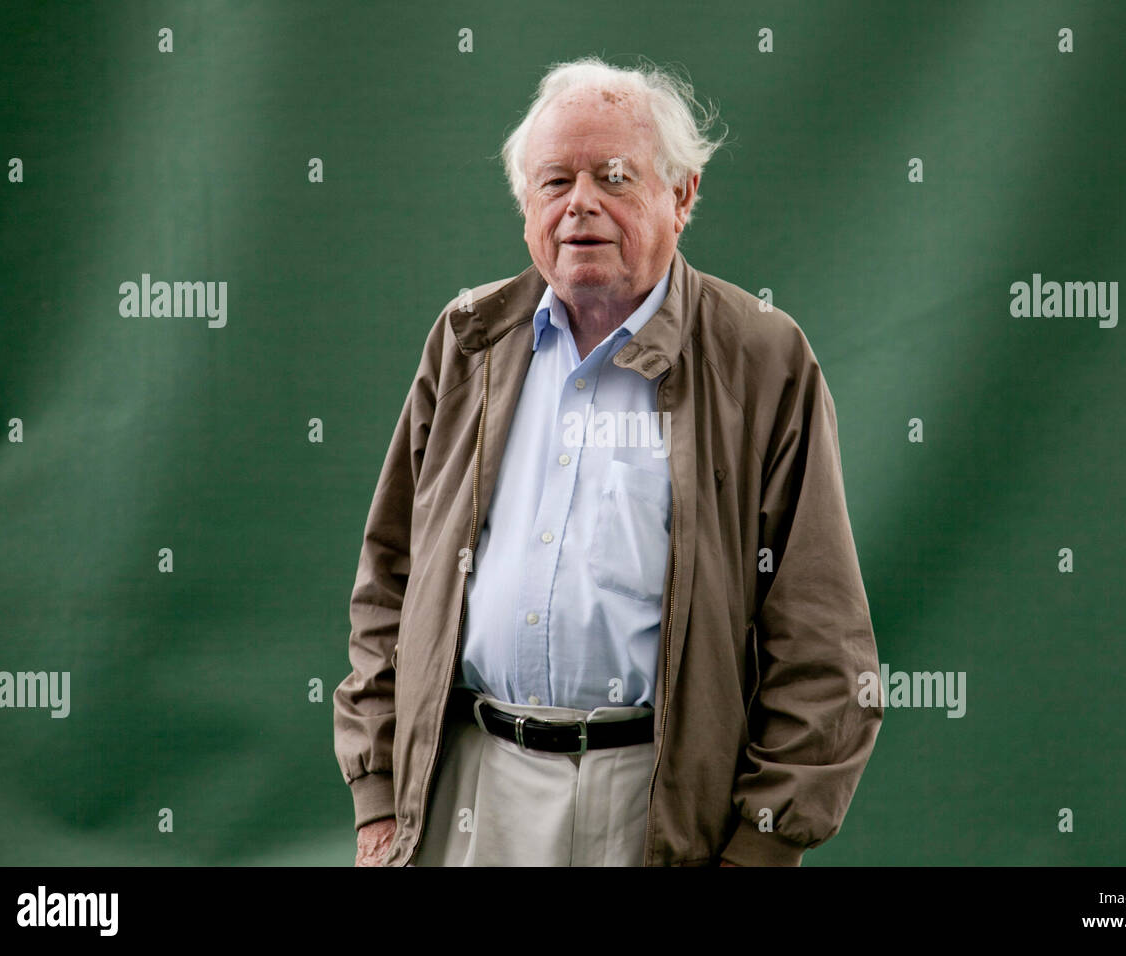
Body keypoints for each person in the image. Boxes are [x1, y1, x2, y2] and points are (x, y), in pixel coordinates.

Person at [333, 55, 882, 867]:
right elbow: (390, 581)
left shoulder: (761, 357)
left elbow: (823, 646)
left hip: (655, 807)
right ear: (527, 205)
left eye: (614, 177)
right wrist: (379, 799)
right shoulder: (467, 340)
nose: (579, 204)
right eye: (555, 181)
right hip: (466, 793)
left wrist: (763, 847)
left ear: (682, 195)